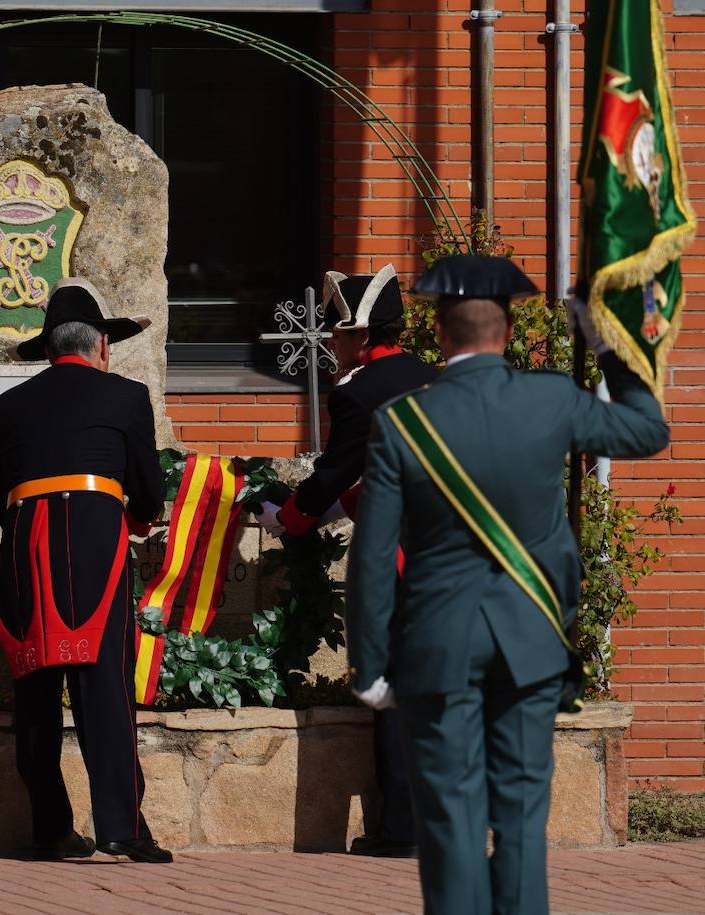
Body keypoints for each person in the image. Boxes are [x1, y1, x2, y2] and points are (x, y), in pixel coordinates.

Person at [345, 255, 669, 914]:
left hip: (437, 646)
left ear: (440, 330)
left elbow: (373, 556)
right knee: (520, 820)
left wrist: (370, 665)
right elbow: (647, 428)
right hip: (530, 641)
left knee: (451, 822)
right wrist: (607, 342)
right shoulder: (551, 399)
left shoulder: (400, 422)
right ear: (504, 327)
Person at [0, 277, 173, 865]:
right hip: (95, 539)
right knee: (106, 685)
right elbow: (147, 491)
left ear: (48, 349)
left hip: (25, 542)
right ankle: (121, 827)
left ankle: (51, 830)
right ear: (101, 346)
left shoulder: (7, 405)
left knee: (35, 686)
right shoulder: (127, 397)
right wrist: (139, 515)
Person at [256, 264, 434, 857]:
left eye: (337, 330)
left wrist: (290, 518)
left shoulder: (358, 391)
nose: (331, 340)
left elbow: (336, 471)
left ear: (360, 334)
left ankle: (404, 830)